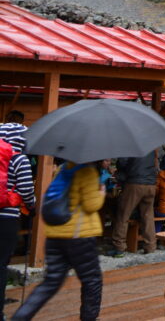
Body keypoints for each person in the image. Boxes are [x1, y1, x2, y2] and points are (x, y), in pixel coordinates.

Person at [12, 160, 104, 321]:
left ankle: (20, 317)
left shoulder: (62, 169)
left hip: (55, 235)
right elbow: (91, 205)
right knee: (92, 281)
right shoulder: (87, 171)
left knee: (50, 282)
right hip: (79, 235)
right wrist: (101, 193)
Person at [0, 123, 35, 321]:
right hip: (6, 219)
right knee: (1, 265)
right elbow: (27, 190)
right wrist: (32, 207)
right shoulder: (19, 159)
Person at [109, 150, 157, 257]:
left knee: (123, 215)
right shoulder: (150, 148)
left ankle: (119, 247)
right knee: (148, 216)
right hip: (151, 184)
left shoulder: (129, 146)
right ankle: (150, 246)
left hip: (135, 184)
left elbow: (122, 163)